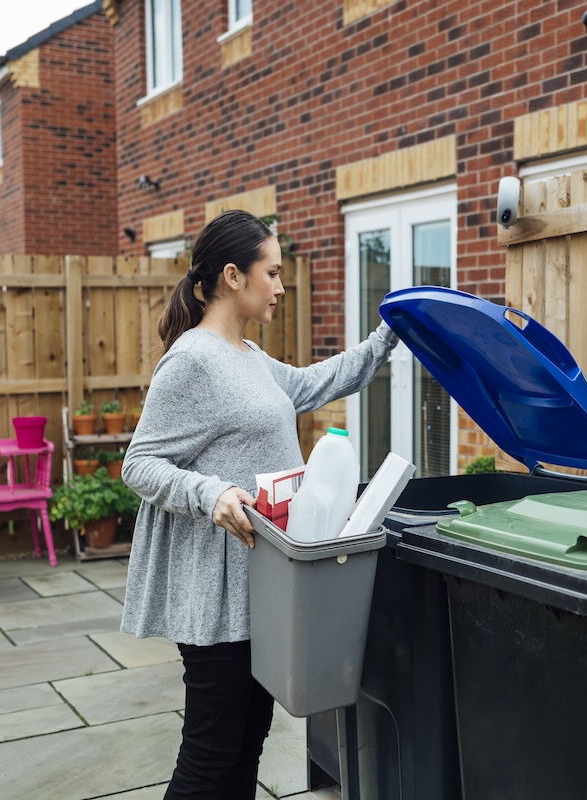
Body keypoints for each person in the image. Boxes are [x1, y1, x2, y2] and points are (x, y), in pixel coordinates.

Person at [120, 210, 398, 798]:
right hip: (211, 591)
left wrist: (389, 336)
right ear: (232, 276)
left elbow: (314, 383)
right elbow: (138, 463)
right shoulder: (192, 359)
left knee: (248, 744)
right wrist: (211, 491)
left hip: (255, 584)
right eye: (271, 273)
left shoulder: (247, 355)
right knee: (211, 753)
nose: (280, 286)